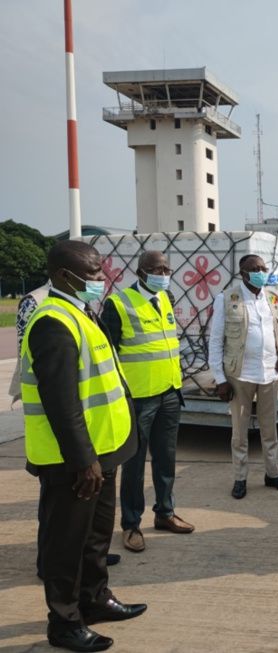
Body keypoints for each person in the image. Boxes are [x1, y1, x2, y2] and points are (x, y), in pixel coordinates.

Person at [21, 241, 146, 651]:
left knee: (95, 537)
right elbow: (62, 403)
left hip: (103, 451)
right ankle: (64, 623)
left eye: (100, 272)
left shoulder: (80, 311)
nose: (100, 280)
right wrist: (84, 460)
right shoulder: (52, 322)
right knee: (66, 544)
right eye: (91, 274)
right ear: (62, 275)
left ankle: (94, 600)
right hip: (72, 461)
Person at [102, 251, 195, 553]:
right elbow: (110, 355)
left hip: (169, 392)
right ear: (141, 272)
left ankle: (165, 513)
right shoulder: (118, 304)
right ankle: (131, 524)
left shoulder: (164, 297)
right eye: (158, 268)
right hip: (139, 399)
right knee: (133, 465)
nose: (165, 273)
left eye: (167, 268)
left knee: (166, 460)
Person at [208, 254, 278, 499]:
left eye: (263, 268)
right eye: (254, 269)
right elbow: (216, 341)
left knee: (270, 429)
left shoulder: (272, 298)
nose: (260, 272)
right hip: (240, 375)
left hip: (269, 373)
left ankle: (272, 473)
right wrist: (220, 379)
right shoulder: (226, 299)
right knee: (240, 431)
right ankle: (240, 478)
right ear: (242, 273)